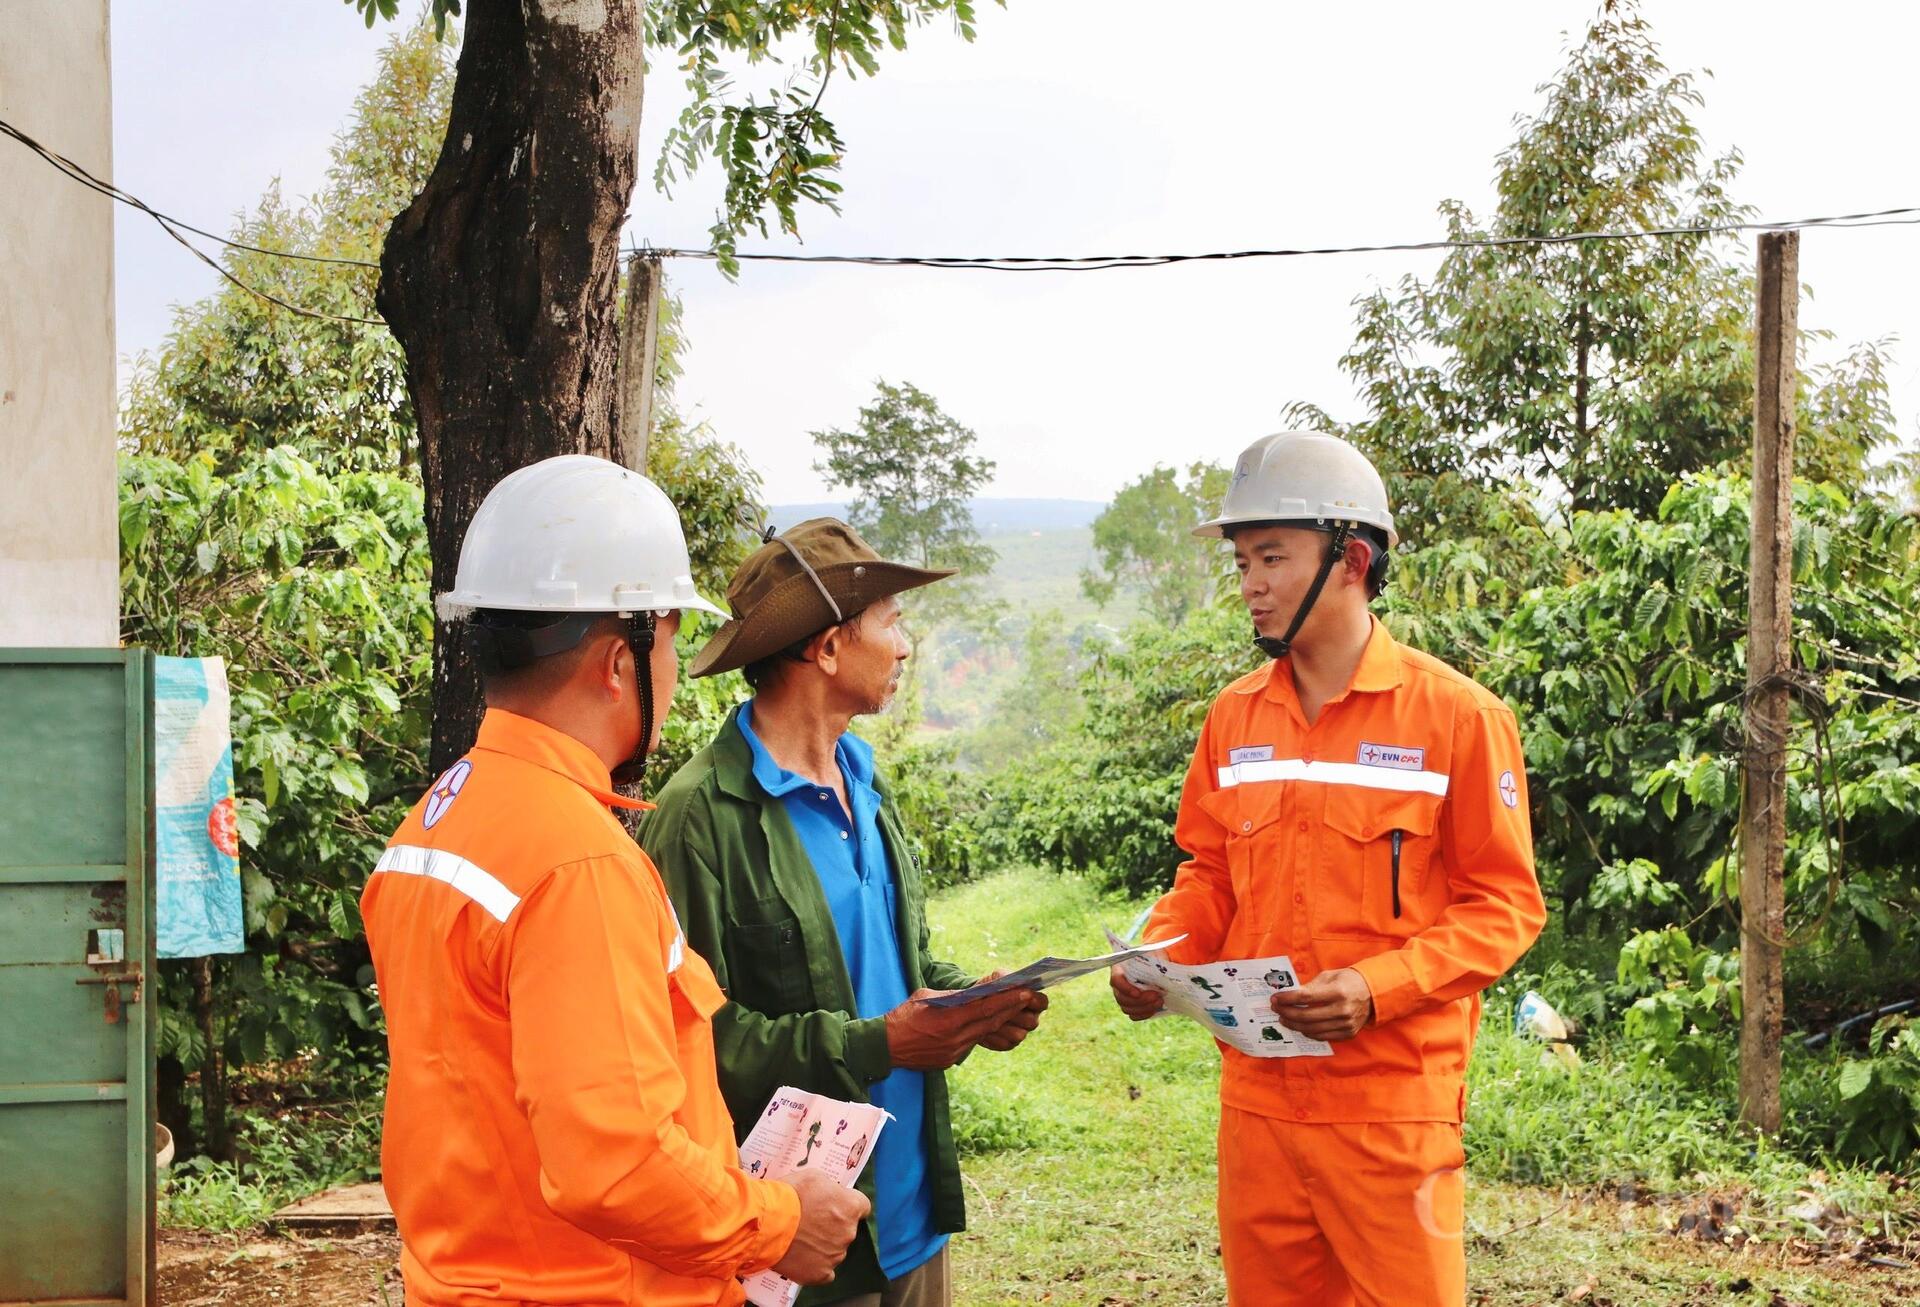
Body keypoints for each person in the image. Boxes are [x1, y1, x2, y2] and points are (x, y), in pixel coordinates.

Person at [361, 457, 868, 1307]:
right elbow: (617, 1162)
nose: (672, 668)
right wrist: (779, 1224)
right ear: (615, 659)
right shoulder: (578, 863)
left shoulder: (436, 821)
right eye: (670, 635)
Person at [1109, 432, 1547, 1307]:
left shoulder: (1458, 716)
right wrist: (1152, 952)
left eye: (1272, 556)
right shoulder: (1234, 720)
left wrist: (1376, 987)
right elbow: (1210, 875)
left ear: (1350, 558)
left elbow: (1504, 906)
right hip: (1261, 1110)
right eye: (1241, 561)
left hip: (1393, 1113)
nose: (1251, 584)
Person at [643, 518, 1047, 1307]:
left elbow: (896, 956)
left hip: (908, 1212)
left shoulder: (863, 775)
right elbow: (688, 1042)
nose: (905, 646)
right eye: (892, 622)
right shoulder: (701, 816)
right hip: (803, 1234)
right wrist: (881, 1043)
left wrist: (969, 1002)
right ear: (826, 648)